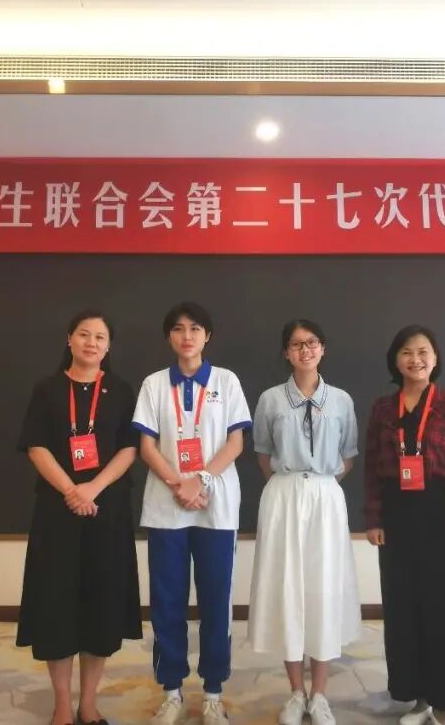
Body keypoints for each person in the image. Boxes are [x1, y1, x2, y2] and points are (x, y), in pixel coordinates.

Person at [15, 309, 142, 725]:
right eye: (84, 334)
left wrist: (92, 489)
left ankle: (88, 703)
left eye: (100, 337)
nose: (91, 342)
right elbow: (36, 446)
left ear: (109, 346)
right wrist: (72, 490)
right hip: (57, 512)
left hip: (106, 510)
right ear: (69, 339)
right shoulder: (47, 389)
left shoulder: (121, 391)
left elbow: (129, 448)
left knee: (100, 607)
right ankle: (61, 706)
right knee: (56, 605)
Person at [132, 302, 252, 725]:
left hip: (216, 507)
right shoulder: (153, 384)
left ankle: (213, 692)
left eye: (195, 328)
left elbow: (236, 443)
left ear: (207, 336)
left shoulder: (226, 381)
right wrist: (178, 483)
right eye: (179, 329)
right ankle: (171, 690)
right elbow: (147, 446)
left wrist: (199, 480)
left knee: (216, 600)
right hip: (167, 507)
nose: (187, 336)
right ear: (169, 336)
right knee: (167, 600)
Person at [364, 325, 445, 725]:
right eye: (407, 352)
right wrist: (373, 517)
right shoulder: (383, 408)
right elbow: (372, 468)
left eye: (423, 352)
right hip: (396, 515)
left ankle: (444, 699)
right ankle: (417, 698)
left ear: (435, 358)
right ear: (395, 360)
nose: (415, 359)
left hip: (441, 513)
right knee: (403, 607)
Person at [248, 319, 361, 725]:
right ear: (286, 353)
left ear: (323, 348)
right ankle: (296, 692)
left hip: (326, 497)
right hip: (283, 495)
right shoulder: (270, 399)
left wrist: (319, 487)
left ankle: (320, 694)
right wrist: (292, 486)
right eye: (296, 345)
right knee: (288, 589)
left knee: (323, 590)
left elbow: (348, 455)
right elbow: (263, 454)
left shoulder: (342, 400)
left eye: (312, 343)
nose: (305, 350)